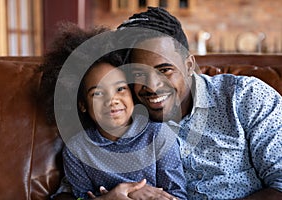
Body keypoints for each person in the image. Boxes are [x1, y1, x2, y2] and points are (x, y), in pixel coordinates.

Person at [53, 7, 282, 200]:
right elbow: (71, 190)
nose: (152, 87)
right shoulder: (123, 115)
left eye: (165, 70)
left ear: (189, 66)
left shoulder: (245, 97)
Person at [40, 21, 187, 200]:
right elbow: (79, 197)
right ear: (82, 105)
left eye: (120, 89)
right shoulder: (77, 150)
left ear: (132, 93)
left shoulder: (158, 135)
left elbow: (177, 195)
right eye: (98, 93)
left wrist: (133, 195)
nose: (112, 100)